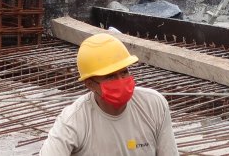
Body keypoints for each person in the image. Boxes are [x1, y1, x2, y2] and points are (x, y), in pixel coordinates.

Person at [40, 33, 178, 156]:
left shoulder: (153, 105)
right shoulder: (74, 121)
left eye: (124, 72)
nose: (120, 81)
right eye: (110, 76)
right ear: (90, 84)